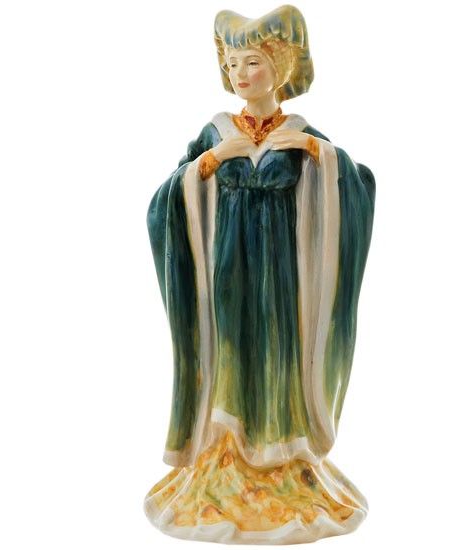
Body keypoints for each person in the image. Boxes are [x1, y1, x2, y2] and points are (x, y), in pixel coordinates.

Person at [144, 5, 376, 544]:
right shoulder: (216, 132)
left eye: (251, 62)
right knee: (231, 350)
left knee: (278, 349)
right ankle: (224, 456)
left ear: (280, 65)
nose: (240, 74)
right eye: (231, 64)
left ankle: (282, 453)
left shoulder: (301, 132)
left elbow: (358, 186)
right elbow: (163, 204)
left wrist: (318, 154)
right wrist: (207, 164)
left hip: (281, 277)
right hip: (227, 272)